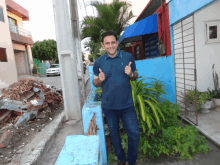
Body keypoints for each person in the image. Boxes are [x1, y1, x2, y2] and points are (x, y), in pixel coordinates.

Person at [92, 30, 140, 165]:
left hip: (127, 105)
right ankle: (121, 159)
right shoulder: (99, 62)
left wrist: (131, 73)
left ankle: (131, 160)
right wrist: (100, 80)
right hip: (109, 107)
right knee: (114, 135)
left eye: (113, 42)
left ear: (117, 43)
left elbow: (135, 77)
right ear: (103, 45)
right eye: (107, 43)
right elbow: (95, 83)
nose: (111, 46)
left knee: (135, 134)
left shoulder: (128, 57)